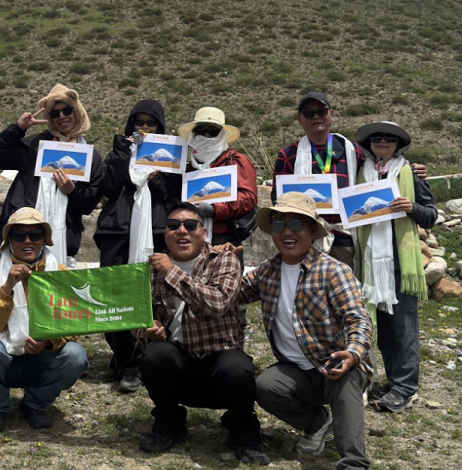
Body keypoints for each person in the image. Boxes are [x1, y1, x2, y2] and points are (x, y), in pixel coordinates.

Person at [234, 192, 374, 470]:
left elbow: (358, 319)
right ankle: (316, 422)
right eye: (279, 223)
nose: (287, 231)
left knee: (348, 379)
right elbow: (230, 293)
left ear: (312, 230)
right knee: (265, 385)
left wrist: (352, 353)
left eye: (297, 223)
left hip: (335, 364)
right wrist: (219, 259)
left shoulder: (332, 271)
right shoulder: (266, 273)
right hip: (296, 372)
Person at [136, 203, 268, 465]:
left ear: (203, 231)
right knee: (153, 355)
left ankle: (242, 431)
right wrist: (149, 330)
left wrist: (171, 273)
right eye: (173, 226)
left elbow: (218, 303)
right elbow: (138, 320)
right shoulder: (152, 268)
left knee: (238, 367)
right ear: (165, 234)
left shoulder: (224, 259)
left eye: (190, 225)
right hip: (179, 363)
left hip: (218, 365)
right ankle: (169, 422)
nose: (182, 231)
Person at [0, 207, 88, 431]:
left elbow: (72, 325)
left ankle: (35, 403)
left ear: (44, 240)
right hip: (2, 356)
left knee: (76, 355)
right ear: (8, 241)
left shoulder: (60, 274)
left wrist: (48, 342)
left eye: (35, 235)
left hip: (42, 357)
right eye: (18, 235)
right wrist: (6, 288)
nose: (27, 241)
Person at [273, 93, 426, 268]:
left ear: (331, 114)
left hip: (346, 237)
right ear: (299, 118)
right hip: (306, 238)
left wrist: (411, 169)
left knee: (345, 290)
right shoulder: (288, 155)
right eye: (309, 113)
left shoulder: (353, 151)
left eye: (321, 111)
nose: (316, 116)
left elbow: (379, 172)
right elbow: (278, 199)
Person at [94, 99, 181, 394]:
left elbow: (174, 202)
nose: (144, 128)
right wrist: (121, 149)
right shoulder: (119, 151)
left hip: (155, 234)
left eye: (150, 123)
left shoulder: (169, 158)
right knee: (113, 297)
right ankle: (122, 358)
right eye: (139, 122)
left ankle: (139, 361)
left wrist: (157, 182)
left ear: (160, 127)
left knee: (149, 297)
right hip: (117, 232)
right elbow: (107, 187)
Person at [352, 122, 437, 414]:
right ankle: (391, 380)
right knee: (382, 326)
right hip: (368, 261)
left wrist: (412, 208)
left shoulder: (410, 173)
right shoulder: (358, 173)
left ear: (398, 144)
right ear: (370, 143)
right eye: (377, 137)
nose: (383, 141)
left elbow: (430, 215)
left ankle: (405, 388)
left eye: (390, 138)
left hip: (400, 262)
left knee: (403, 326)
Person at [0, 84, 104, 265]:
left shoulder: (91, 157)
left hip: (63, 243)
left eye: (67, 110)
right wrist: (18, 129)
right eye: (55, 113)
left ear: (77, 112)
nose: (62, 117)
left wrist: (71, 190)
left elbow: (89, 203)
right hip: (21, 238)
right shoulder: (34, 146)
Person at [177, 107, 258, 250]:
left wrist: (215, 209)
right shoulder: (189, 166)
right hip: (189, 239)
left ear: (221, 134)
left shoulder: (236, 161)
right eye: (200, 131)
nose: (206, 136)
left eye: (213, 131)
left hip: (224, 241)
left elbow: (249, 197)